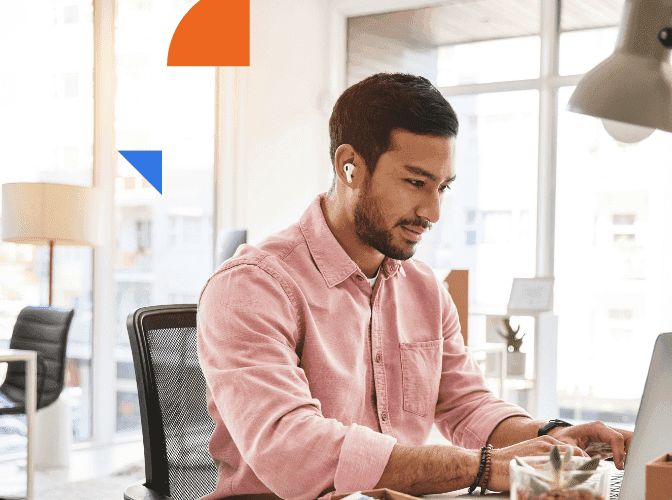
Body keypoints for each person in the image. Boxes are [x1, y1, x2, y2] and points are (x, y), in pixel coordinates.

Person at [197, 72, 632, 500]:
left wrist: (551, 438)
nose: (433, 211)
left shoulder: (423, 288)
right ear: (349, 166)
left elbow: (468, 406)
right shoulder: (252, 286)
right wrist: (485, 467)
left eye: (442, 187)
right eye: (416, 182)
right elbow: (294, 452)